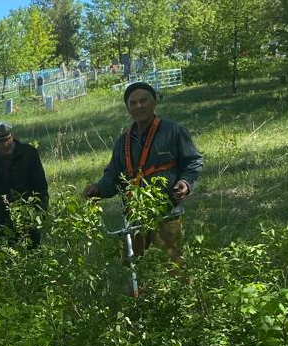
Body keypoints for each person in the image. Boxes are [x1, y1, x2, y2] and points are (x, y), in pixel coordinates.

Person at [84, 82, 203, 261]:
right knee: (132, 266)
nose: (139, 106)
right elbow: (113, 176)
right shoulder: (123, 141)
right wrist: (98, 189)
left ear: (154, 102)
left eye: (143, 101)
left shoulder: (173, 131)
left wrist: (185, 183)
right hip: (134, 216)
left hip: (167, 213)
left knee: (174, 265)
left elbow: (193, 160)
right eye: (133, 103)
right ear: (128, 108)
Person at [0, 121, 49, 244]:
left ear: (13, 136)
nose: (5, 144)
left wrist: (39, 212)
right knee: (4, 251)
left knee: (31, 250)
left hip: (28, 212)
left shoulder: (29, 153)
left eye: (8, 139)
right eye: (0, 141)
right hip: (1, 215)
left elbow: (40, 185)